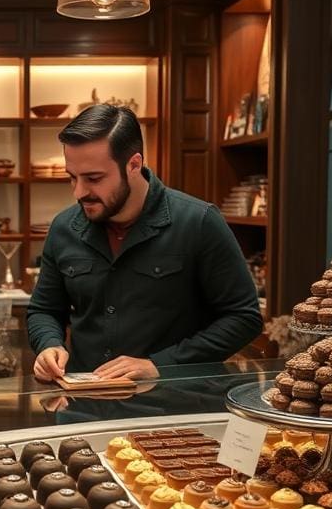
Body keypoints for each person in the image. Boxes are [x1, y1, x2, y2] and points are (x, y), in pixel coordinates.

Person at [27, 104, 263, 383]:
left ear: (134, 165)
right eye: (72, 177)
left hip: (171, 409)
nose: (79, 192)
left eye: (94, 178)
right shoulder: (64, 227)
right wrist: (49, 344)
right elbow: (44, 310)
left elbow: (244, 318)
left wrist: (161, 365)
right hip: (83, 407)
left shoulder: (198, 222)